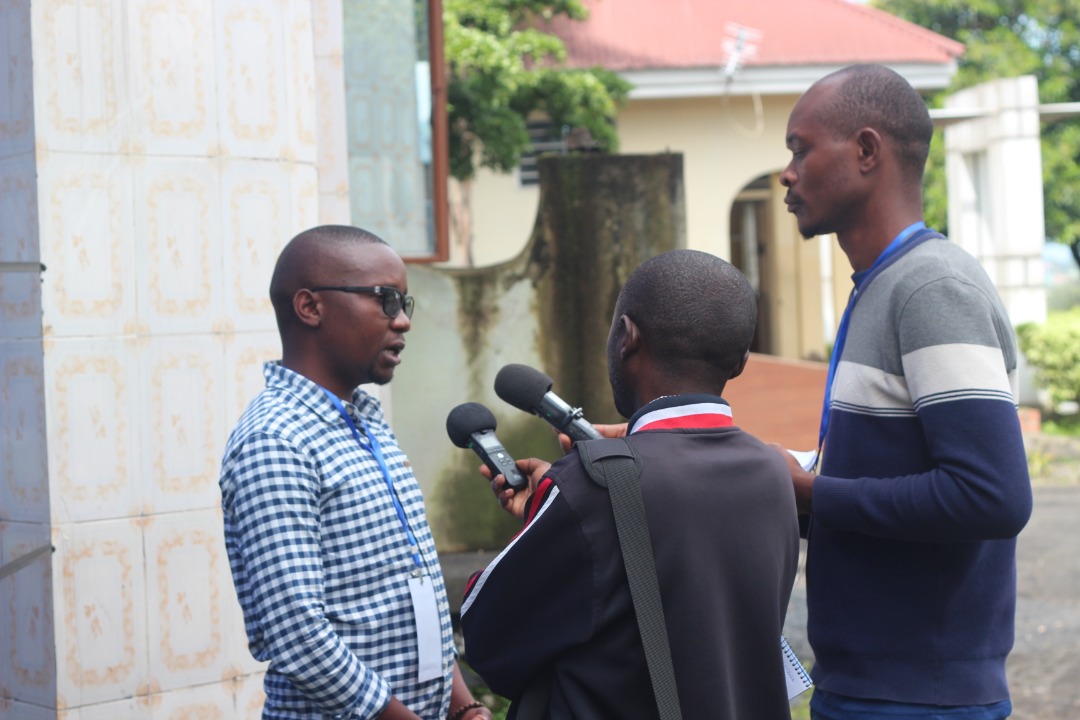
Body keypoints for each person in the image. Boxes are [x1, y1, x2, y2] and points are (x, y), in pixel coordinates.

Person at [776, 64, 1033, 719]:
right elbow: (875, 479)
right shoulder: (881, 287)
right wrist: (678, 449)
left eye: (801, 149)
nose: (787, 172)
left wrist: (811, 492)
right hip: (871, 689)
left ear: (867, 151)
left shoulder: (929, 290)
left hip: (920, 702)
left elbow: (991, 496)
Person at [460, 250, 801, 719]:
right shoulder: (770, 471)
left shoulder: (592, 485)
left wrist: (557, 509)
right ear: (741, 360)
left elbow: (488, 637)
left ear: (627, 336)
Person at [219, 225, 491, 720]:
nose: (403, 321)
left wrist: (464, 705)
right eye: (386, 300)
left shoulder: (365, 420)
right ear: (310, 307)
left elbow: (418, 582)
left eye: (406, 303)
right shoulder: (276, 441)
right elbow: (298, 637)